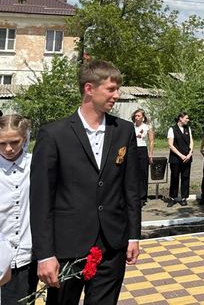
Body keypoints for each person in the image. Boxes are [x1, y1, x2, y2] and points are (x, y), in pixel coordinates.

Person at [31, 59, 140, 305]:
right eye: (111, 89)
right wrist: (45, 254)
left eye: (117, 89)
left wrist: (133, 236)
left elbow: (131, 189)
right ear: (89, 89)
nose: (117, 95)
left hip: (112, 244)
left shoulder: (124, 130)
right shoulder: (54, 134)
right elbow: (41, 200)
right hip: (68, 247)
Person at [0, 114, 37, 305]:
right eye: (1, 143)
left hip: (25, 257)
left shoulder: (36, 165)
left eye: (15, 142)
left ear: (25, 138)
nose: (8, 149)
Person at [166, 112, 193, 207]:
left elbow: (191, 142)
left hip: (187, 158)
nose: (188, 120)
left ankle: (184, 198)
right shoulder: (172, 129)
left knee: (185, 177)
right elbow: (170, 145)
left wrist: (190, 153)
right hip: (175, 159)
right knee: (175, 177)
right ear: (180, 118)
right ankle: (173, 198)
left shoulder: (188, 128)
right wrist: (181, 155)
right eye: (186, 118)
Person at [131, 109, 154, 208]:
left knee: (143, 174)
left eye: (138, 116)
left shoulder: (147, 127)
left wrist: (150, 154)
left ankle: (142, 197)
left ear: (143, 117)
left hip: (142, 150)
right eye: (135, 116)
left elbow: (151, 141)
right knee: (133, 174)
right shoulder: (131, 127)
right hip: (132, 150)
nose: (136, 117)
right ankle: (134, 196)